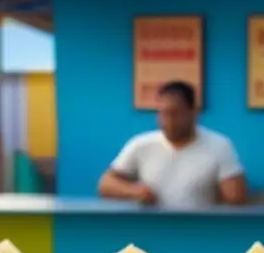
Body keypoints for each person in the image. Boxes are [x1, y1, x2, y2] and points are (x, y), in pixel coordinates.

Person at [98, 80, 247, 208]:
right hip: (151, 232)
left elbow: (235, 199)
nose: (168, 122)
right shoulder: (141, 144)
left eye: (175, 114)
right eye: (163, 113)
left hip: (199, 232)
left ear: (194, 112)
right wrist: (134, 191)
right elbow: (105, 184)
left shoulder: (219, 146)